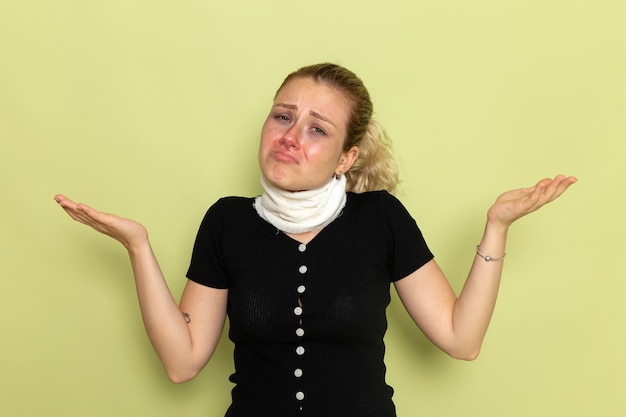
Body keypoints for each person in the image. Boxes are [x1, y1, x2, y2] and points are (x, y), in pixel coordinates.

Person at [55, 63, 576, 417]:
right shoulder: (226, 223)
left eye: (317, 129)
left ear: (347, 157)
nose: (290, 135)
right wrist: (139, 247)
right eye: (283, 117)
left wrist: (497, 227)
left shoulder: (381, 219)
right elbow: (182, 362)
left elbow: (461, 340)